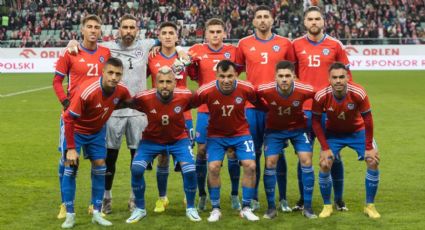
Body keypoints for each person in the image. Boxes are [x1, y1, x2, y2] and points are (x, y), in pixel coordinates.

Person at [66, 14, 189, 213]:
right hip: (113, 112)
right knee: (109, 158)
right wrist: (73, 41)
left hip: (139, 113)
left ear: (138, 30)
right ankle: (106, 198)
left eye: (132, 27)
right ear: (119, 29)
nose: (129, 31)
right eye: (125, 27)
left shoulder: (147, 45)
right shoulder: (108, 48)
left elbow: (169, 39)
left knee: (137, 159)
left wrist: (181, 49)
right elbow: (88, 45)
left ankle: (134, 198)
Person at [292, 6, 352, 212]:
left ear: (323, 21)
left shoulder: (335, 45)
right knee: (304, 156)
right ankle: (302, 198)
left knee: (334, 155)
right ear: (305, 22)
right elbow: (290, 76)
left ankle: (339, 199)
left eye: (317, 18)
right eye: (310, 19)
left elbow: (347, 78)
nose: (314, 22)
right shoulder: (296, 45)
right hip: (305, 110)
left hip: (330, 111)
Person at [235, 5, 295, 211]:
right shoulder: (243, 44)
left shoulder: (285, 44)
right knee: (254, 154)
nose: (262, 20)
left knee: (277, 153)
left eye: (266, 17)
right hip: (252, 107)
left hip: (277, 108)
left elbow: (294, 74)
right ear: (253, 21)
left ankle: (283, 198)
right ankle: (254, 198)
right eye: (259, 17)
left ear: (272, 20)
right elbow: (234, 74)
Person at [60, 57, 131, 228]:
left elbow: (129, 102)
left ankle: (97, 213)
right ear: (103, 72)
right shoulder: (87, 91)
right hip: (76, 130)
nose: (114, 77)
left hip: (97, 131)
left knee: (100, 165)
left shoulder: (121, 90)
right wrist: (70, 148)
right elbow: (68, 118)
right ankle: (70, 214)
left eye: (118, 74)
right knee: (71, 166)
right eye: (111, 73)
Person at [53, 14, 110, 219]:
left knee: (99, 163)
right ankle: (64, 204)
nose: (93, 30)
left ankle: (95, 207)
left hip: (96, 119)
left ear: (100, 30)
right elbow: (57, 82)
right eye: (90, 27)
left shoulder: (106, 53)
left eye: (97, 27)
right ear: (82, 30)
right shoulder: (71, 52)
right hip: (73, 118)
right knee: (69, 163)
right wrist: (65, 101)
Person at [126, 66, 200, 223]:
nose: (164, 85)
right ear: (155, 83)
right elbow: (123, 103)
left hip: (178, 140)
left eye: (168, 82)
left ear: (175, 83)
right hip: (151, 140)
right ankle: (140, 208)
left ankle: (191, 208)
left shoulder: (185, 95)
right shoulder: (144, 98)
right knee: (137, 168)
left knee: (190, 170)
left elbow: (201, 99)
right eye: (161, 82)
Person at [192, 60, 259, 222]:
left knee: (250, 165)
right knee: (213, 167)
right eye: (222, 76)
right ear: (217, 76)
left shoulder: (246, 88)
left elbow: (260, 103)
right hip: (216, 136)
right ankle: (215, 209)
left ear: (236, 74)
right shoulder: (206, 91)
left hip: (241, 134)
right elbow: (188, 104)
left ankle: (246, 207)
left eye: (230, 76)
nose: (226, 80)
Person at [312, 62, 380, 219]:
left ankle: (370, 206)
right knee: (324, 163)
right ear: (329, 79)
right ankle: (327, 206)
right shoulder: (321, 95)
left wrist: (369, 147)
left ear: (347, 77)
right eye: (334, 77)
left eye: (341, 77)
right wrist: (324, 147)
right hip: (334, 134)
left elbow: (368, 120)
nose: (338, 81)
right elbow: (315, 122)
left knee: (373, 160)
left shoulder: (358, 92)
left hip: (358, 132)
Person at [187, 17, 241, 211]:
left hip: (230, 110)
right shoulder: (196, 51)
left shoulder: (233, 51)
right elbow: (187, 68)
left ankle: (234, 195)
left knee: (232, 151)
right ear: (206, 34)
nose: (215, 35)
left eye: (219, 32)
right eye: (212, 32)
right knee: (201, 152)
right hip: (205, 110)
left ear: (224, 33)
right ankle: (202, 195)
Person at [257, 61, 317, 219]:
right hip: (274, 131)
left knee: (306, 160)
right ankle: (271, 208)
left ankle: (308, 207)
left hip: (298, 130)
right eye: (281, 76)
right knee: (270, 162)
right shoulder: (265, 89)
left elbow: (321, 97)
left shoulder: (305, 90)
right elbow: (251, 95)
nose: (284, 79)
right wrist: (265, 108)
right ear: (275, 77)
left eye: (288, 76)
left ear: (294, 77)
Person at [146, 21, 194, 213]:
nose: (167, 36)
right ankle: (162, 197)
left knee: (185, 157)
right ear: (159, 35)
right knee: (162, 158)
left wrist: (182, 51)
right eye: (164, 32)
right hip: (159, 114)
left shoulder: (187, 57)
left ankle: (187, 195)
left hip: (183, 114)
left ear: (177, 36)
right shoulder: (152, 57)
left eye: (171, 33)